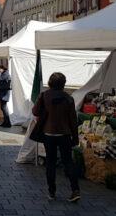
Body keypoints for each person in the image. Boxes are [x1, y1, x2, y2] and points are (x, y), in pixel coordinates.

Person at [32, 72, 80, 202]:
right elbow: (73, 120)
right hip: (65, 134)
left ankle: (51, 192)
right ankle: (75, 189)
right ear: (63, 84)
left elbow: (35, 111)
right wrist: (75, 137)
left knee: (50, 163)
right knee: (68, 162)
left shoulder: (44, 96)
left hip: (49, 133)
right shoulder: (69, 98)